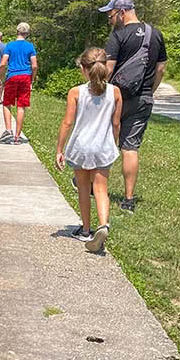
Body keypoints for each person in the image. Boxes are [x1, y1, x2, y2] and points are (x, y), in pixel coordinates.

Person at [99, 0, 167, 213]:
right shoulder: (155, 34)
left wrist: (100, 92)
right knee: (130, 147)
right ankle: (128, 200)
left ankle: (95, 186)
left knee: (106, 141)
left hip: (117, 96)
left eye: (110, 16)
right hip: (143, 98)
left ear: (121, 12)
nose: (110, 20)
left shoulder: (118, 35)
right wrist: (150, 91)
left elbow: (108, 68)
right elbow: (161, 69)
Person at [55, 47, 122, 252]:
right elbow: (116, 123)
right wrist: (114, 142)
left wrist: (59, 149)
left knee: (84, 188)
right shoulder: (115, 92)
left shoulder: (76, 92)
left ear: (84, 69)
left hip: (81, 147)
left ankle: (85, 230)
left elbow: (67, 122)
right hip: (103, 147)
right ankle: (103, 225)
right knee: (101, 189)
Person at [0, 22, 38, 144]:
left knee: (7, 103)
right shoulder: (30, 46)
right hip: (25, 77)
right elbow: (34, 66)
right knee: (21, 106)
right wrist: (32, 79)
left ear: (17, 32)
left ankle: (8, 130)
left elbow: (3, 64)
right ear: (27, 33)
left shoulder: (9, 45)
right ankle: (17, 137)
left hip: (12, 77)